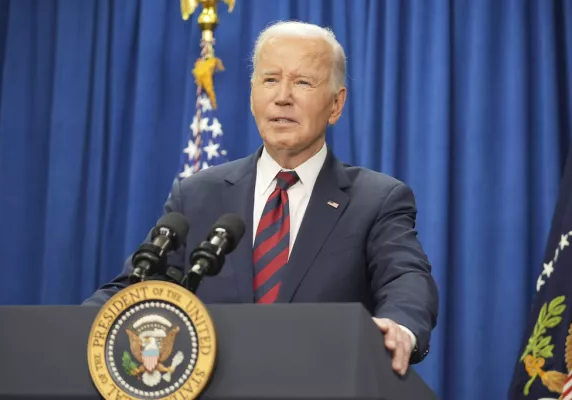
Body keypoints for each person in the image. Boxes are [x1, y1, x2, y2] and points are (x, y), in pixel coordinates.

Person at [84, 20, 439, 375]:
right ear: (253, 95)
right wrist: (73, 328)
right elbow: (136, 286)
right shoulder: (197, 194)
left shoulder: (376, 200)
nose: (282, 96)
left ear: (336, 104)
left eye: (302, 82)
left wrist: (401, 327)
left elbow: (405, 277)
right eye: (270, 80)